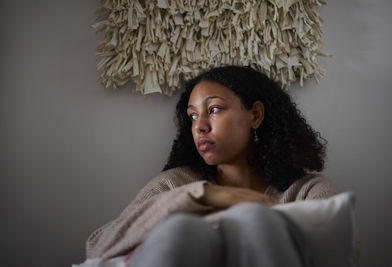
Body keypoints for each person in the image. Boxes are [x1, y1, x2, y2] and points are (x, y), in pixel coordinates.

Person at [86, 66, 339, 267]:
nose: (199, 126)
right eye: (193, 116)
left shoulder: (308, 192)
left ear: (255, 115)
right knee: (182, 231)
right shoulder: (174, 185)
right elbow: (97, 246)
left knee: (257, 222)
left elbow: (337, 254)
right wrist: (203, 196)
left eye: (214, 109)